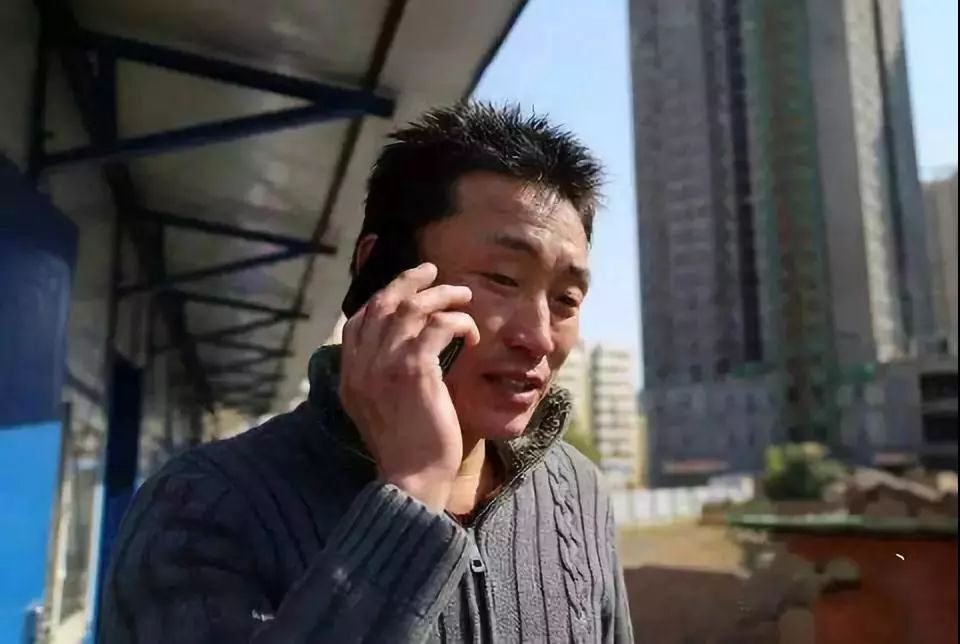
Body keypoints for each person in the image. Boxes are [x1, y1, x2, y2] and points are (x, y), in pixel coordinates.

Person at [99, 103, 634, 643]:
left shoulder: (577, 491)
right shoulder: (203, 503)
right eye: (502, 278)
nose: (538, 337)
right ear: (382, 273)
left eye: (566, 299)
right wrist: (413, 491)